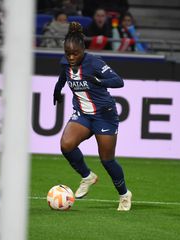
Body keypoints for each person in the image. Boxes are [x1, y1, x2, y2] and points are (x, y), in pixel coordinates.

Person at [53, 22, 132, 211]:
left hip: (104, 115)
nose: (71, 57)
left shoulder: (95, 62)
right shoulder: (65, 62)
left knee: (107, 160)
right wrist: (57, 89)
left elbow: (118, 81)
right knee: (66, 145)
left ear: (83, 50)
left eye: (75, 54)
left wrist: (98, 80)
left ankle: (124, 194)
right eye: (68, 53)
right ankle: (87, 176)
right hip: (82, 114)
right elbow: (63, 77)